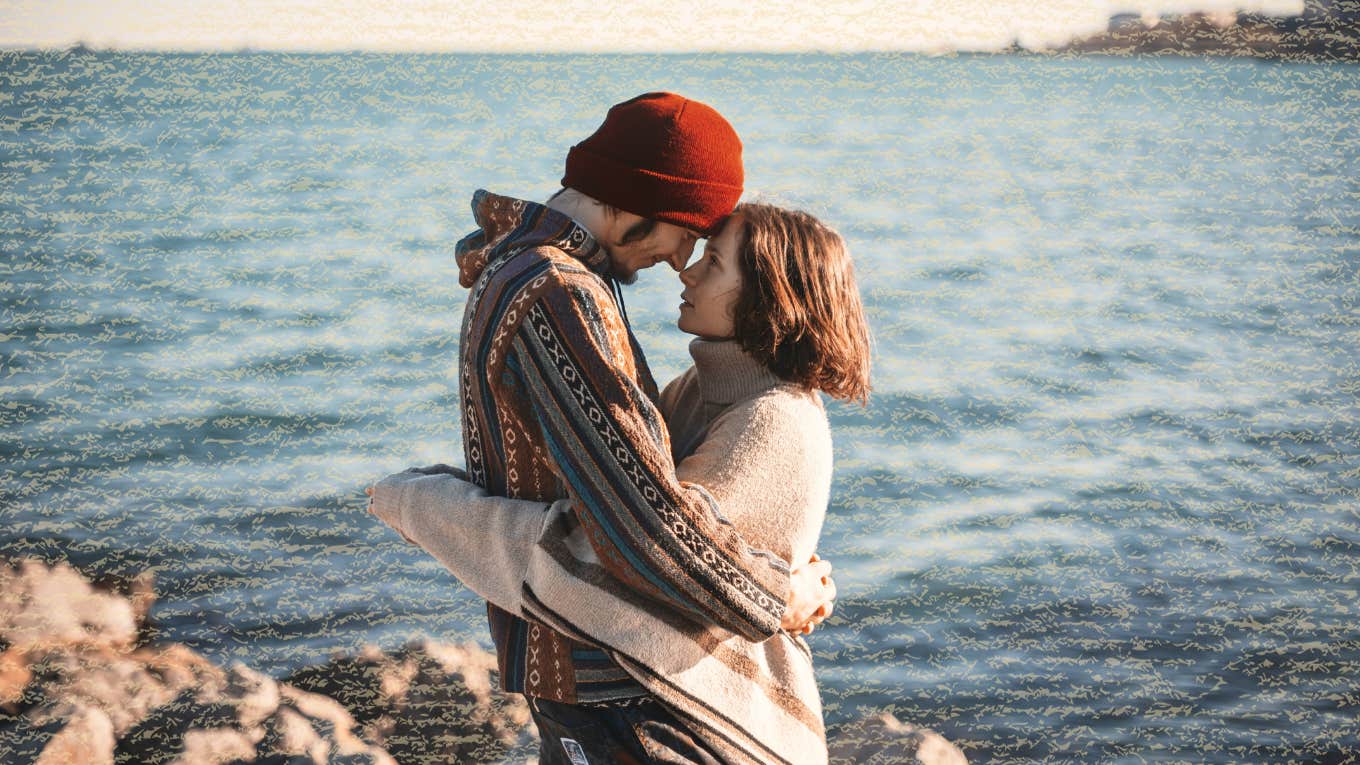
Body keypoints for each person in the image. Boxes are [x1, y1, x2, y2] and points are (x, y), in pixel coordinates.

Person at [368, 93, 842, 764]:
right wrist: (779, 594)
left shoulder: (520, 273)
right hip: (620, 694)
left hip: (591, 681)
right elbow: (648, 532)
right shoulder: (557, 293)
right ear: (635, 203)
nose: (681, 259)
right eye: (686, 231)